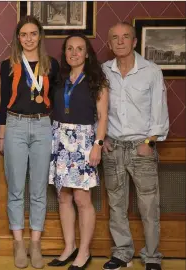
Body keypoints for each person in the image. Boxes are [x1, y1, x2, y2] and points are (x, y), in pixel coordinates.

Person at [101, 22, 169, 270]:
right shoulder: (103, 72)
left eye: (125, 37)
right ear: (109, 43)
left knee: (149, 206)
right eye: (115, 38)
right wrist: (103, 139)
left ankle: (151, 257)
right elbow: (99, 112)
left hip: (142, 147)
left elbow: (160, 112)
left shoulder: (151, 71)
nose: (120, 42)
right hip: (113, 147)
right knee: (116, 204)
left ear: (134, 41)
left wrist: (149, 143)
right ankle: (122, 253)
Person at [0, 15, 59, 269]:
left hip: (43, 125)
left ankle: (35, 243)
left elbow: (54, 100)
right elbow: (2, 102)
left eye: (33, 33)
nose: (29, 38)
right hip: (15, 125)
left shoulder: (51, 65)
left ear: (40, 36)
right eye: (24, 34)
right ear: (18, 38)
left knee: (37, 190)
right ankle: (19, 243)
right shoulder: (8, 65)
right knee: (15, 189)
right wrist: (1, 134)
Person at [47, 33, 109, 270]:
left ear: (87, 53)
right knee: (63, 196)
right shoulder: (60, 79)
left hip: (84, 142)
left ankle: (84, 252)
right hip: (59, 139)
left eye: (79, 49)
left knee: (82, 199)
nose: (74, 53)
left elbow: (103, 117)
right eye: (69, 49)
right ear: (65, 53)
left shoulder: (97, 81)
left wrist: (98, 145)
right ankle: (69, 247)